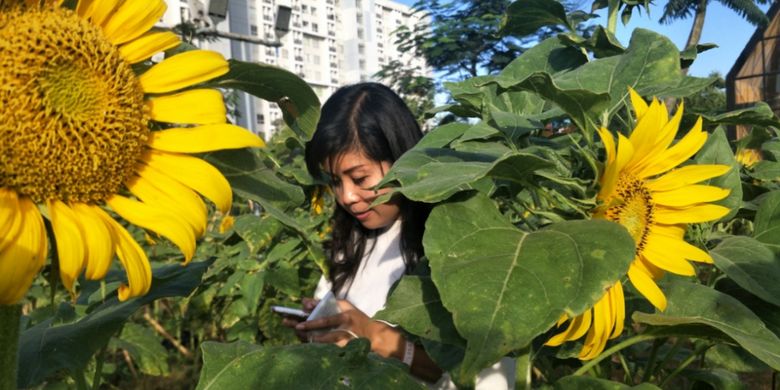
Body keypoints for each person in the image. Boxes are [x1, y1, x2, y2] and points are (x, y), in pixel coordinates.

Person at [283, 82, 515, 388]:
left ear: (401, 158)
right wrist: (320, 331)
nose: (346, 197)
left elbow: (487, 379)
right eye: (335, 182)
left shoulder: (459, 242)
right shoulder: (350, 240)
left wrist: (378, 339)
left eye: (359, 178)